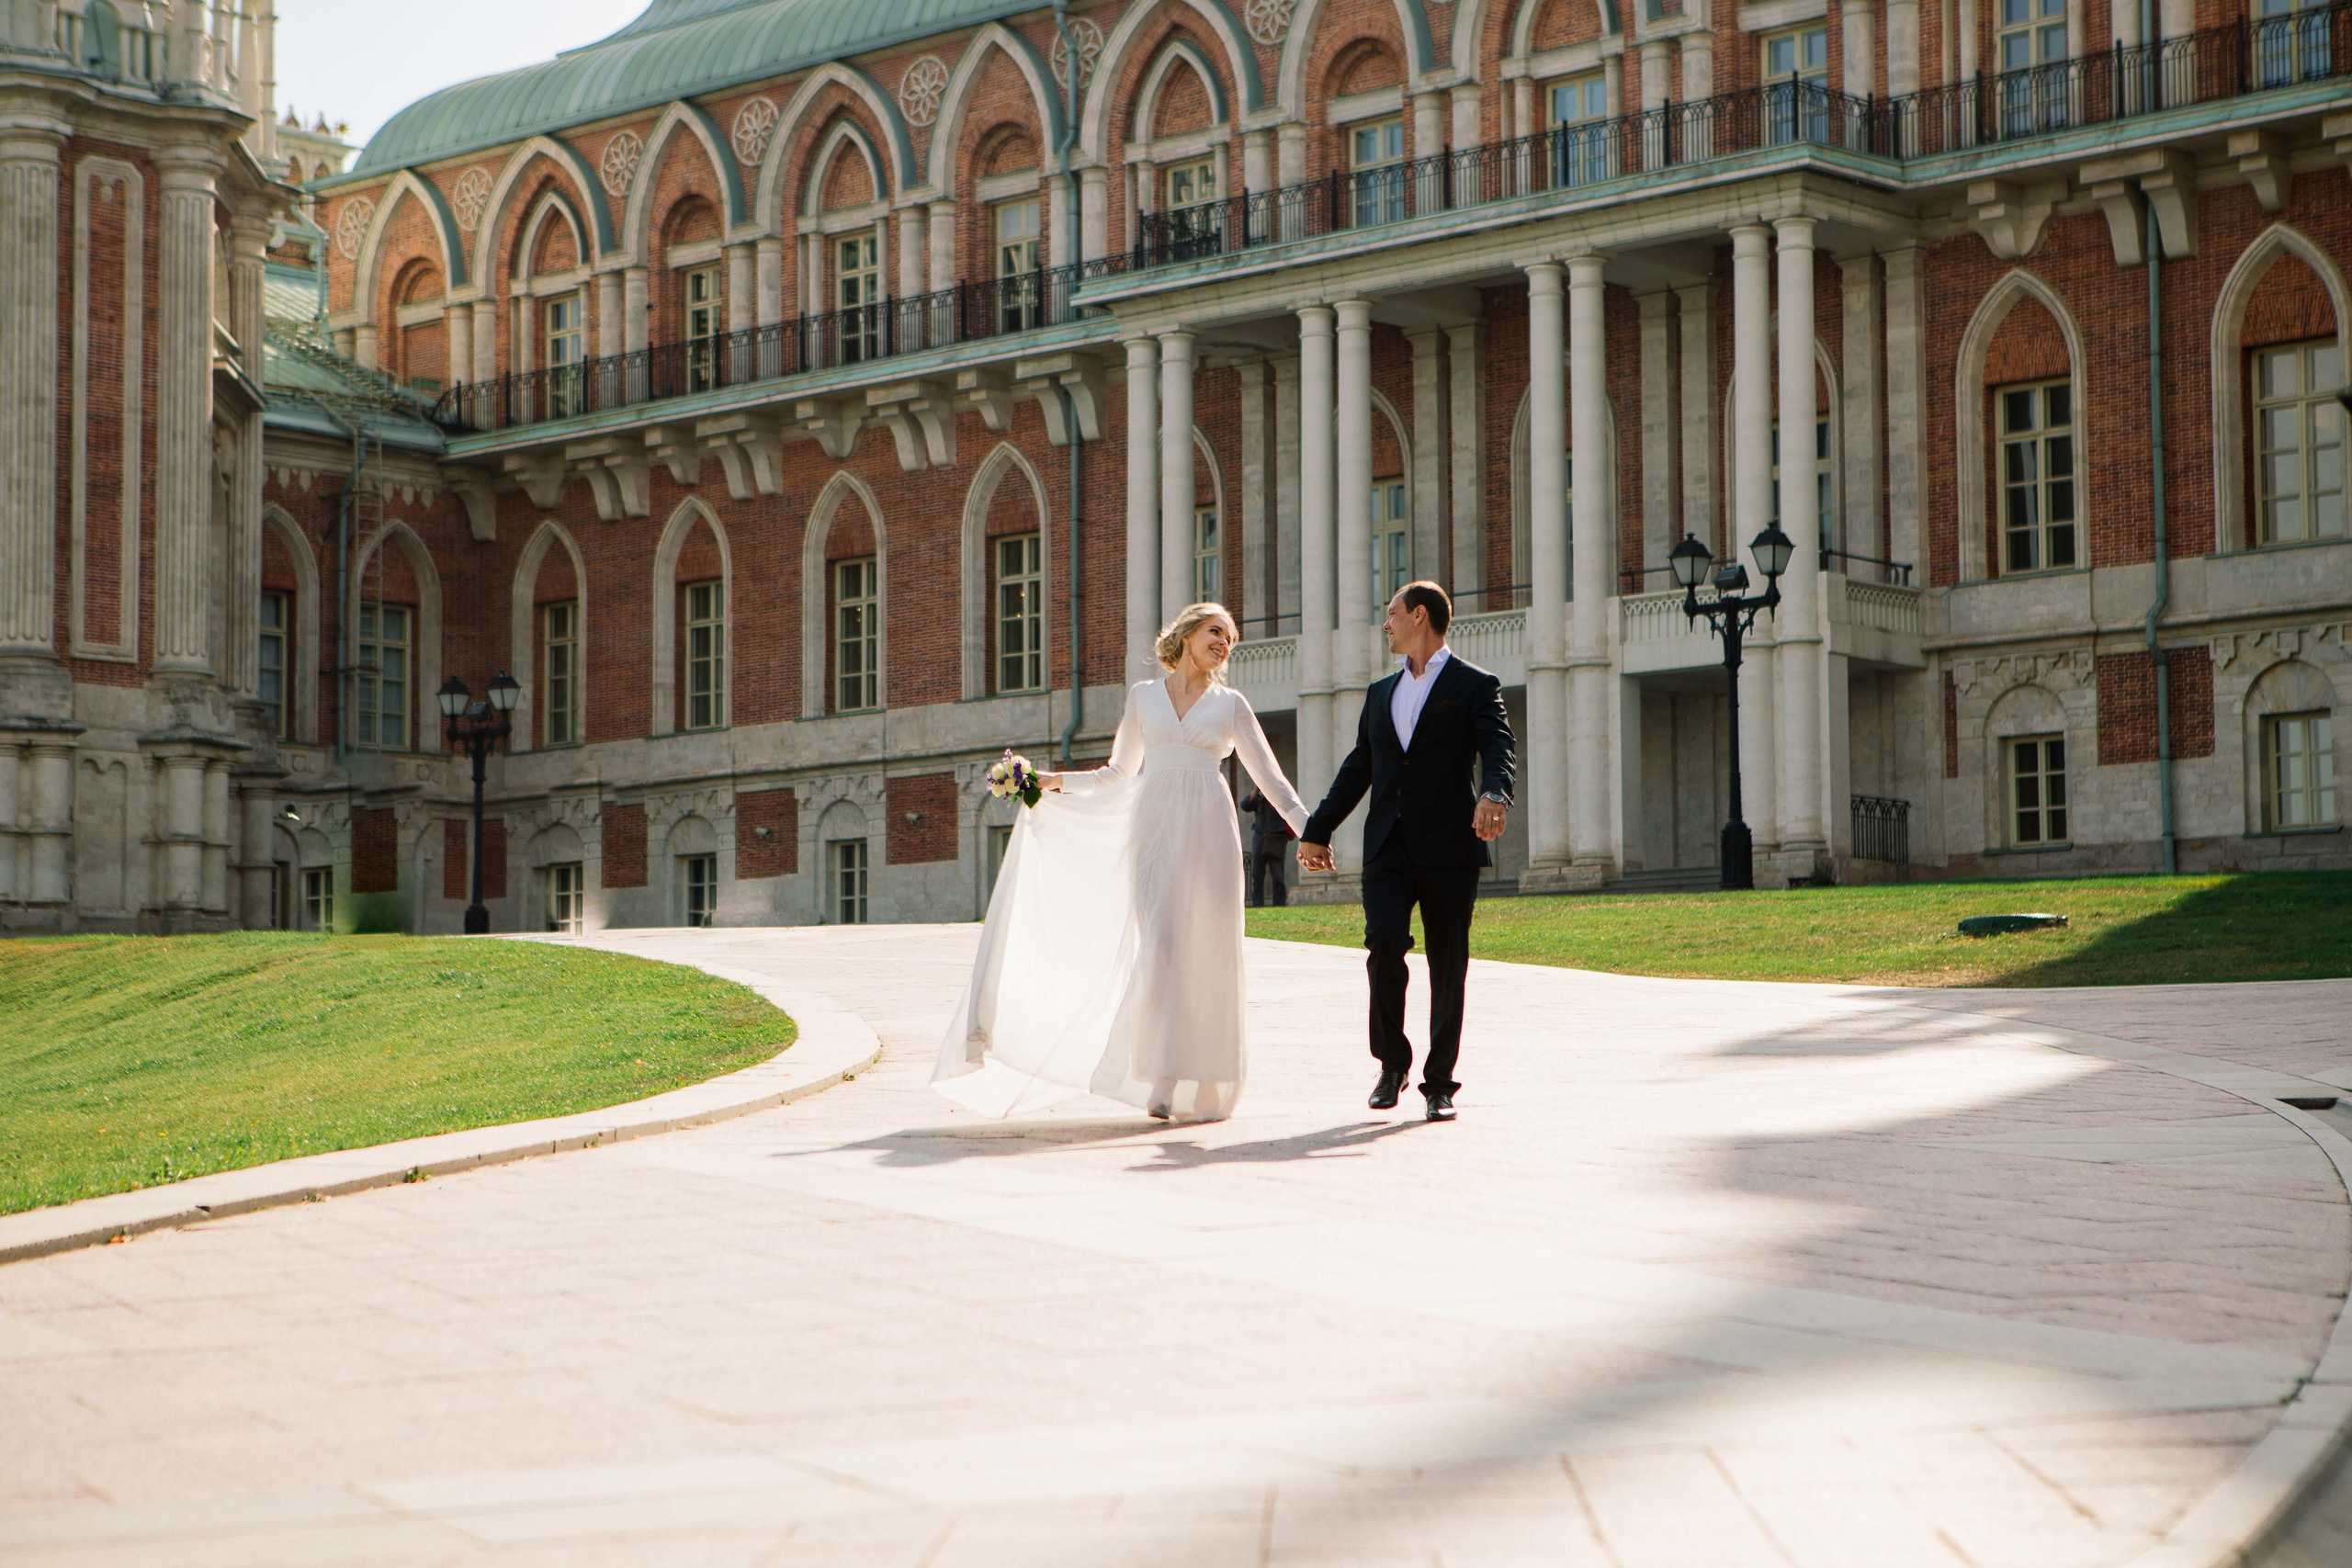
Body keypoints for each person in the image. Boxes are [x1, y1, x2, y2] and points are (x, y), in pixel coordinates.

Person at [934, 604, 1310, 1122]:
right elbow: (1116, 774)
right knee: (1160, 947)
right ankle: (1161, 1073)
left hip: (1208, 829)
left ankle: (1199, 1078)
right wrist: (1049, 780)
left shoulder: (1231, 705)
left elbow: (1271, 780)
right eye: (1214, 631)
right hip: (1153, 830)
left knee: (1208, 948)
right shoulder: (1144, 698)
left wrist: (1310, 830)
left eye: (1231, 638)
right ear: (1186, 635)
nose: (1224, 642)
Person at [1297, 581, 1515, 1122]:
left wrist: (1494, 793)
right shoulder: (1378, 693)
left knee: (1448, 963)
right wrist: (1316, 829)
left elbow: (1499, 747)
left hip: (1450, 848)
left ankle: (1439, 1083)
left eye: (1391, 614)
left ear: (1419, 616)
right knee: (1383, 947)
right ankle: (1391, 1063)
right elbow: (1358, 769)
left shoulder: (1475, 685)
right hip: (1388, 848)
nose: (1386, 624)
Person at [1240, 786, 1294, 908]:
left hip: (1276, 840)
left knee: (1278, 876)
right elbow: (1244, 806)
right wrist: (1255, 791)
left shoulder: (1279, 800)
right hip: (1260, 839)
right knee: (1257, 875)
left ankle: (1279, 905)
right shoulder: (1259, 800)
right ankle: (1258, 904)